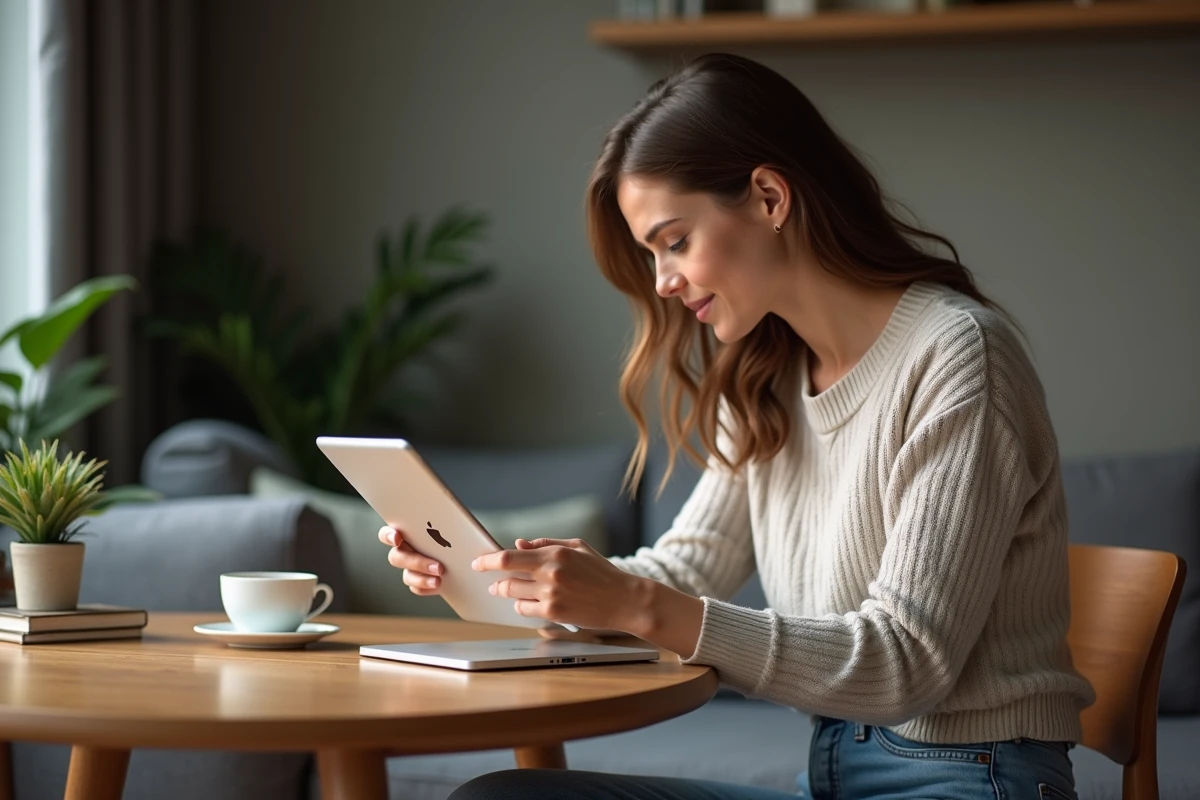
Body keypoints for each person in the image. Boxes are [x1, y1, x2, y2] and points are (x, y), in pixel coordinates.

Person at [379, 52, 1095, 800]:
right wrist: (508, 579)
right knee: (504, 798)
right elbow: (684, 575)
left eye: (675, 241)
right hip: (831, 774)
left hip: (970, 778)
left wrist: (636, 604)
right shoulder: (764, 377)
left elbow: (905, 662)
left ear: (768, 196)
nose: (661, 282)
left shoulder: (958, 357)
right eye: (652, 253)